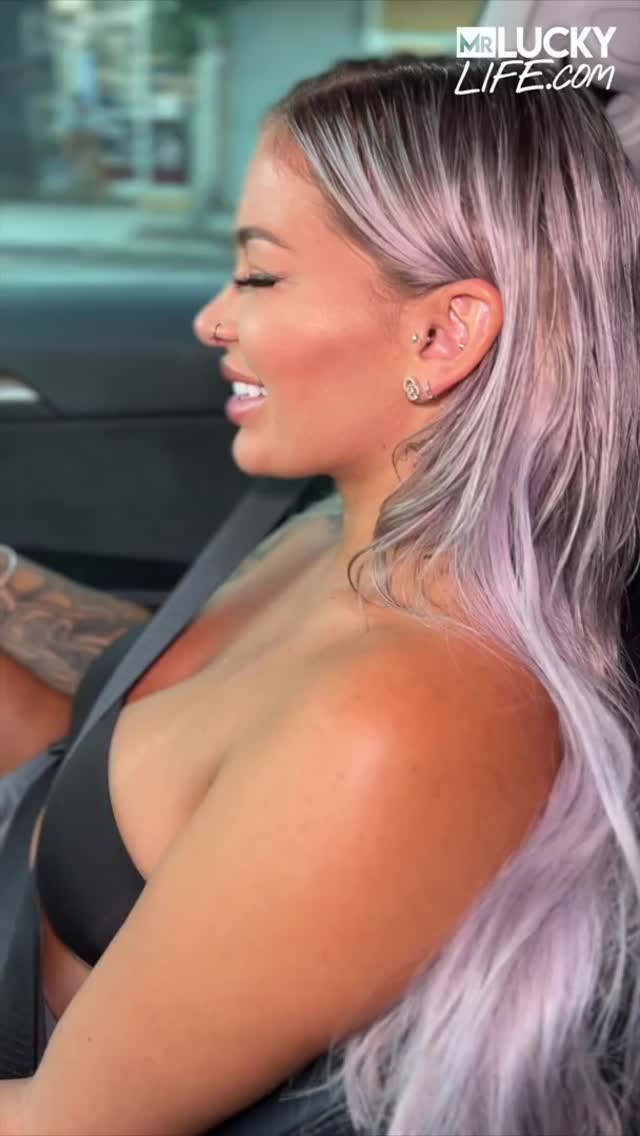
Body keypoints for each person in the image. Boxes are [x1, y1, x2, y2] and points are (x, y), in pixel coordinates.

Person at [1, 50, 640, 1136]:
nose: (213, 319)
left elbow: (58, 1123)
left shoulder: (404, 720)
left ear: (442, 333)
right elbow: (128, 761)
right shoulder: (328, 534)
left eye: (258, 277)